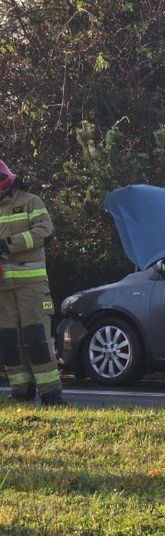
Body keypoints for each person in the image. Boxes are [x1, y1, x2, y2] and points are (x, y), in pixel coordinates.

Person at [0, 161, 61, 405]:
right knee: (9, 342)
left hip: (31, 287)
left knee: (37, 339)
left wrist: (8, 244)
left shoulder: (30, 201)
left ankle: (51, 395)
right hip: (3, 289)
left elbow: (45, 232)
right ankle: (21, 394)